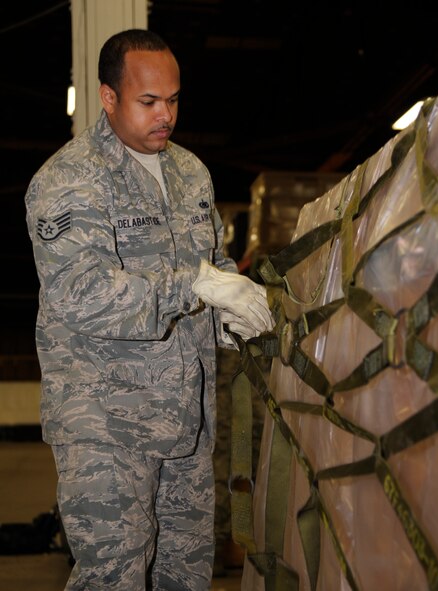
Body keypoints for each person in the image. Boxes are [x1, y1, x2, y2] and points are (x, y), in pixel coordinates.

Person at [24, 28, 274, 591]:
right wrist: (199, 287)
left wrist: (228, 308)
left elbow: (208, 262)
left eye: (175, 99)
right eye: (148, 101)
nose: (166, 115)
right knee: (114, 575)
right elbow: (81, 294)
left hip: (185, 415)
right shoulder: (68, 181)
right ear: (108, 96)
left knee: (184, 575)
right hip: (105, 422)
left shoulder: (191, 173)